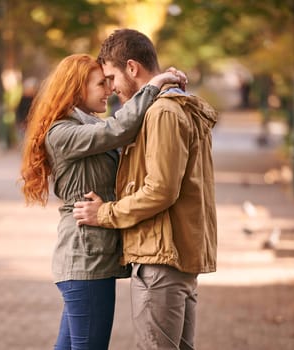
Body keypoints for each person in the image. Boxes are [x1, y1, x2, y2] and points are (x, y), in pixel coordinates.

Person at [20, 53, 185, 350]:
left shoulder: (83, 126)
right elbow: (116, 130)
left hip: (90, 257)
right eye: (101, 83)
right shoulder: (62, 132)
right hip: (85, 257)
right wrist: (153, 86)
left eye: (109, 82)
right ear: (76, 88)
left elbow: (117, 132)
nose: (109, 90)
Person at [73, 29, 218, 350]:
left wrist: (104, 213)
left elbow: (161, 190)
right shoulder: (176, 106)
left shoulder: (163, 112)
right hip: (175, 255)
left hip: (160, 258)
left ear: (132, 68)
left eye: (111, 76)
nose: (110, 89)